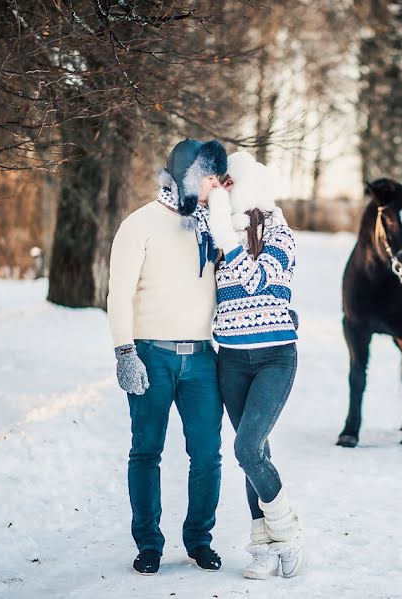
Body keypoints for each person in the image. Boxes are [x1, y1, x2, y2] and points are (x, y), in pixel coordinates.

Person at [107, 138, 228, 576]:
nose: (217, 188)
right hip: (150, 355)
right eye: (212, 179)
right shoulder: (139, 224)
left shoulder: (212, 226)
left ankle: (199, 539)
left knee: (208, 454)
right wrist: (125, 351)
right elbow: (118, 294)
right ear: (190, 178)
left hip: (200, 359)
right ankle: (149, 544)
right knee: (146, 451)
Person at [205, 151, 304, 579]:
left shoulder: (282, 237)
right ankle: (263, 546)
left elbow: (257, 280)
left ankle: (287, 533)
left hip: (274, 358)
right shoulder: (220, 235)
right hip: (231, 359)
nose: (227, 194)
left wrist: (224, 231)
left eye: (232, 185)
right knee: (256, 453)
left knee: (246, 448)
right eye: (223, 186)